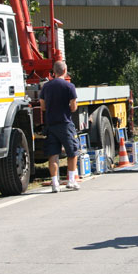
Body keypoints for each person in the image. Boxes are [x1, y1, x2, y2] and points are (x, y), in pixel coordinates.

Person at [39, 61, 79, 192]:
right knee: (72, 152)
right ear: (65, 70)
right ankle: (71, 181)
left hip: (51, 125)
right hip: (65, 124)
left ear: (53, 71)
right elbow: (73, 108)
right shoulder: (69, 86)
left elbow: (43, 107)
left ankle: (55, 183)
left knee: (53, 155)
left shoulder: (46, 87)